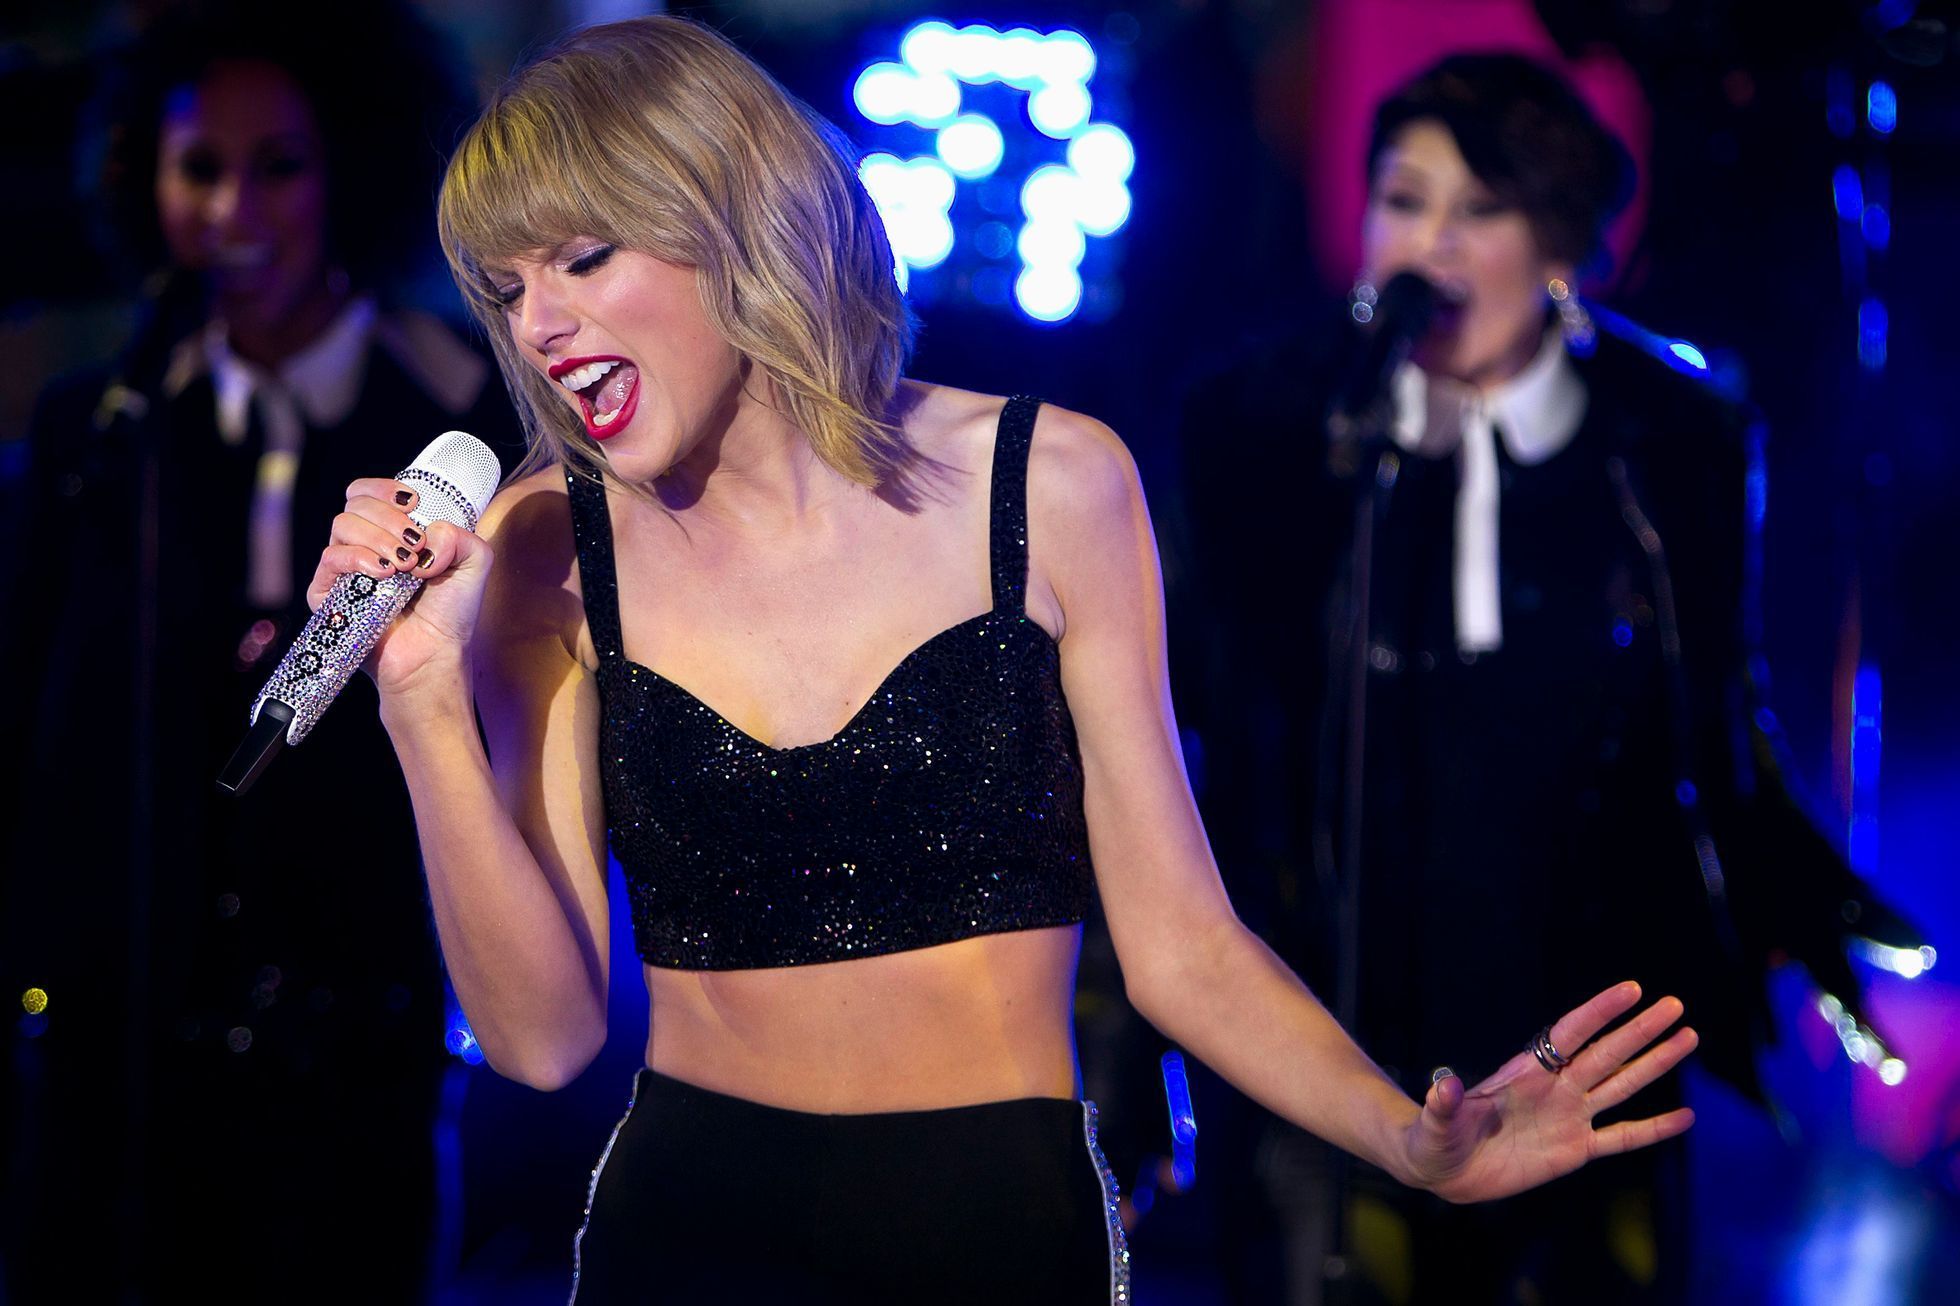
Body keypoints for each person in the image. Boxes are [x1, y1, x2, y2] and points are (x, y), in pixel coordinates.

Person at [315, 19, 1697, 1303]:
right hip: (685, 1229)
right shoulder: (545, 549)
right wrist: (423, 701)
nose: (541, 325)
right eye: (509, 287)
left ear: (730, 222)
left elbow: (1184, 949)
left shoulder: (1053, 483)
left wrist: (1408, 1137)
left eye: (582, 258)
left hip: (992, 1223)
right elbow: (541, 1037)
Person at [1172, 53, 1921, 1303]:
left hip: (1580, 1007)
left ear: (1561, 244)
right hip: (1328, 1006)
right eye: (1403, 203)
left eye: (1479, 210)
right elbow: (1190, 732)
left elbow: (1716, 716)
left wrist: (1797, 898)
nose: (1430, 245)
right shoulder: (1264, 425)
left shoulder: (1676, 434)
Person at [0, 4, 518, 1300]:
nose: (235, 207)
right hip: (116, 1032)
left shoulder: (457, 420)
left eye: (278, 165)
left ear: (351, 165)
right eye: (199, 168)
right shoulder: (101, 427)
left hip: (366, 1028)